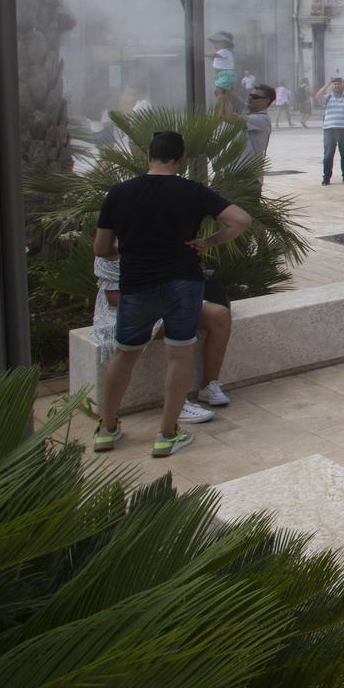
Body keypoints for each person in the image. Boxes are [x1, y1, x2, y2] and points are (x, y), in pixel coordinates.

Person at [91, 130, 251, 458]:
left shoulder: (119, 193)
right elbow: (240, 220)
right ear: (180, 159)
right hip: (183, 282)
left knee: (124, 355)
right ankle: (167, 434)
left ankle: (107, 430)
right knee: (178, 355)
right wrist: (210, 242)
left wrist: (129, 250)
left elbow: (101, 248)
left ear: (148, 155)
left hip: (137, 284)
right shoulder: (192, 191)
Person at [90, 253, 220, 429]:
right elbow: (113, 297)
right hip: (133, 308)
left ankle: (209, 387)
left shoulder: (160, 236)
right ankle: (174, 411)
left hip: (170, 298)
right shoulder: (117, 248)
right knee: (176, 343)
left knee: (218, 316)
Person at [319, 75, 344, 184]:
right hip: (330, 130)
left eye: (339, 84)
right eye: (335, 84)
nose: (337, 86)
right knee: (328, 155)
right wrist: (327, 84)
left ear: (343, 86)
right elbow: (317, 96)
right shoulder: (327, 98)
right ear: (332, 86)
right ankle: (326, 178)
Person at [208, 30, 237, 113]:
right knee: (223, 93)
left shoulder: (224, 51)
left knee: (219, 92)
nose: (214, 45)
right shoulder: (223, 52)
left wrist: (203, 54)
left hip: (225, 74)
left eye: (217, 43)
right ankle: (226, 110)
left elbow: (214, 55)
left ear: (224, 43)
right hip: (222, 75)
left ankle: (221, 111)